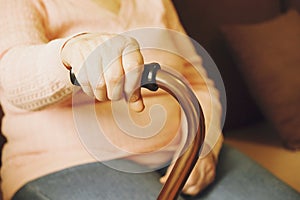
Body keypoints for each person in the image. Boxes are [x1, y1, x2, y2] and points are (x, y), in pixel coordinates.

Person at [0, 1, 299, 200]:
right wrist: (70, 53)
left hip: (183, 148)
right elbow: (11, 76)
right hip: (67, 162)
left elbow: (197, 80)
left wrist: (204, 145)